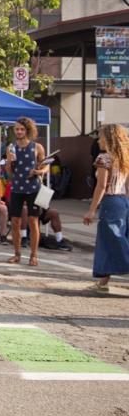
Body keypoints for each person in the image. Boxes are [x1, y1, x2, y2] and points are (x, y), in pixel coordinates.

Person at [83, 123, 129, 293]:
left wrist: (91, 210)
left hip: (110, 202)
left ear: (109, 138)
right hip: (123, 201)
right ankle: (103, 283)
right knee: (114, 241)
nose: (98, 140)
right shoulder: (125, 157)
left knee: (114, 242)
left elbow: (101, 186)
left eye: (101, 136)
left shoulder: (104, 158)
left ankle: (103, 282)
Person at [5, 116, 47, 266]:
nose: (19, 131)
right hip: (16, 187)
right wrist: (9, 160)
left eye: (22, 129)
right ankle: (16, 254)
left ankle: (34, 255)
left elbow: (45, 165)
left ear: (27, 130)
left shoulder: (37, 147)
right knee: (15, 221)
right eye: (17, 129)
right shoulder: (11, 147)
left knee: (33, 220)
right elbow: (9, 172)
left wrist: (39, 171)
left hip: (33, 188)